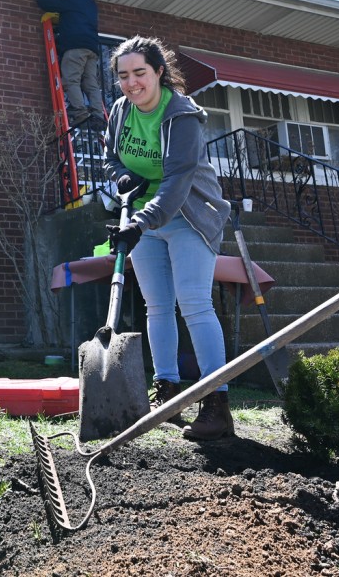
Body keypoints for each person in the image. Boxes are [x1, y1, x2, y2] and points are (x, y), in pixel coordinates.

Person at [103, 36, 235, 440]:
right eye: (123, 76)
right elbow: (111, 155)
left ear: (159, 71)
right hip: (142, 218)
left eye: (139, 73)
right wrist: (120, 176)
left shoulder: (183, 115)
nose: (131, 83)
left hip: (189, 216)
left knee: (194, 303)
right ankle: (168, 391)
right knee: (156, 306)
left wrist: (140, 223)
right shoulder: (122, 111)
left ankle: (216, 404)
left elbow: (177, 181)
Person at [36, 0, 106, 129]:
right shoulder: (92, 6)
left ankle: (80, 113)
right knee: (91, 84)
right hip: (92, 49)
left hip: (75, 47)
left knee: (70, 80)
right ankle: (98, 116)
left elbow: (49, 3)